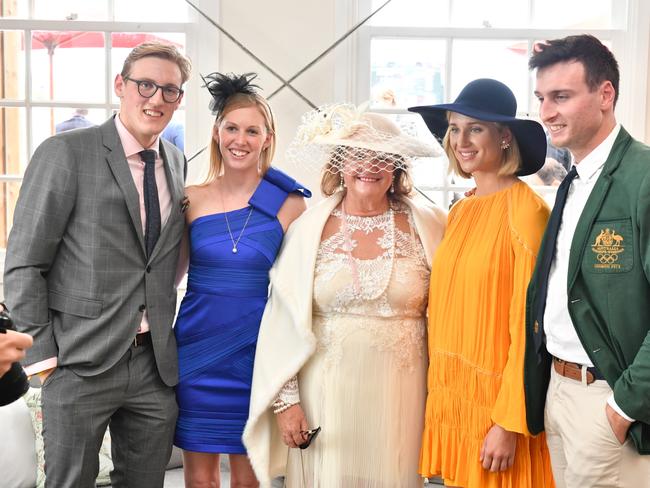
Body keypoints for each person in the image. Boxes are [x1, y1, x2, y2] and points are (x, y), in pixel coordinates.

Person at [4, 42, 191, 488]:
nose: (156, 98)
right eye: (146, 84)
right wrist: (45, 360)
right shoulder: (65, 152)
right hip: (77, 361)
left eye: (170, 90)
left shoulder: (177, 161)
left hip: (154, 367)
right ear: (120, 86)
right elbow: (24, 263)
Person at [243, 103, 447, 487]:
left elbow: (454, 310)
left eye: (381, 156)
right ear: (338, 164)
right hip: (325, 395)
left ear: (397, 166)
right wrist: (286, 404)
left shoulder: (431, 224)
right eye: (357, 155)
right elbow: (282, 319)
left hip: (402, 396)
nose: (369, 165)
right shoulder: (308, 229)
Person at [409, 78, 554, 487]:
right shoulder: (461, 211)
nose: (461, 140)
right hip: (457, 403)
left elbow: (530, 329)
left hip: (498, 414)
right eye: (454, 129)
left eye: (475, 128)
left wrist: (508, 424)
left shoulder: (527, 213)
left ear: (505, 136)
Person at [524, 34, 650, 488]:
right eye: (541, 98)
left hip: (608, 400)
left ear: (605, 94)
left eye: (561, 96)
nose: (546, 113)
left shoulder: (644, 176)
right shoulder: (570, 181)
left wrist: (624, 407)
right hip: (558, 393)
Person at [173, 72, 310, 488]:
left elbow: (299, 291)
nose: (241, 139)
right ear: (217, 133)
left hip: (255, 353)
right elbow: (168, 277)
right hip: (195, 351)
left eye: (253, 131)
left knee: (250, 479)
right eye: (232, 128)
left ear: (267, 138)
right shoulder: (191, 198)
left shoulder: (288, 203)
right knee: (200, 480)